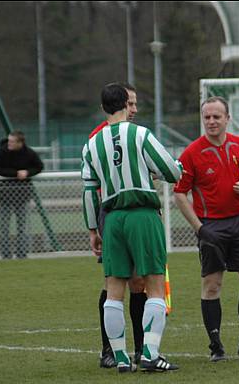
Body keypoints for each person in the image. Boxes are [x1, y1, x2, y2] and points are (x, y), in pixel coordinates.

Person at [82, 83, 182, 373]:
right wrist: (168, 166)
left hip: (112, 219)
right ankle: (150, 354)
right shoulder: (140, 134)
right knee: (153, 286)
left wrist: (92, 230)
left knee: (114, 290)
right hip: (141, 213)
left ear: (103, 109)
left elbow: (89, 192)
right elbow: (172, 172)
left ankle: (121, 358)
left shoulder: (92, 144)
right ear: (127, 104)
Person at [174, 96, 239, 362]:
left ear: (227, 118)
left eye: (217, 116)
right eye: (207, 117)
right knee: (212, 285)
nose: (212, 121)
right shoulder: (191, 153)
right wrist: (200, 229)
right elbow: (179, 195)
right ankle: (216, 347)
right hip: (211, 226)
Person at [88, 83, 148, 369]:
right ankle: (109, 349)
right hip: (112, 213)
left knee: (139, 282)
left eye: (136, 104)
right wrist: (93, 228)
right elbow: (92, 185)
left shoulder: (138, 135)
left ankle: (140, 348)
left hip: (139, 212)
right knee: (114, 282)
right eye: (130, 104)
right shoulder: (99, 138)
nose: (134, 109)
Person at [0, 131, 44, 259]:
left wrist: (27, 172)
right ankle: (5, 254)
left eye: (12, 141)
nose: (9, 143)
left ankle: (21, 253)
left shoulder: (29, 153)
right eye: (9, 141)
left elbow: (39, 166)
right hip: (5, 196)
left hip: (23, 195)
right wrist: (15, 173)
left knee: (22, 227)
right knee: (4, 227)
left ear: (20, 143)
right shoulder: (2, 152)